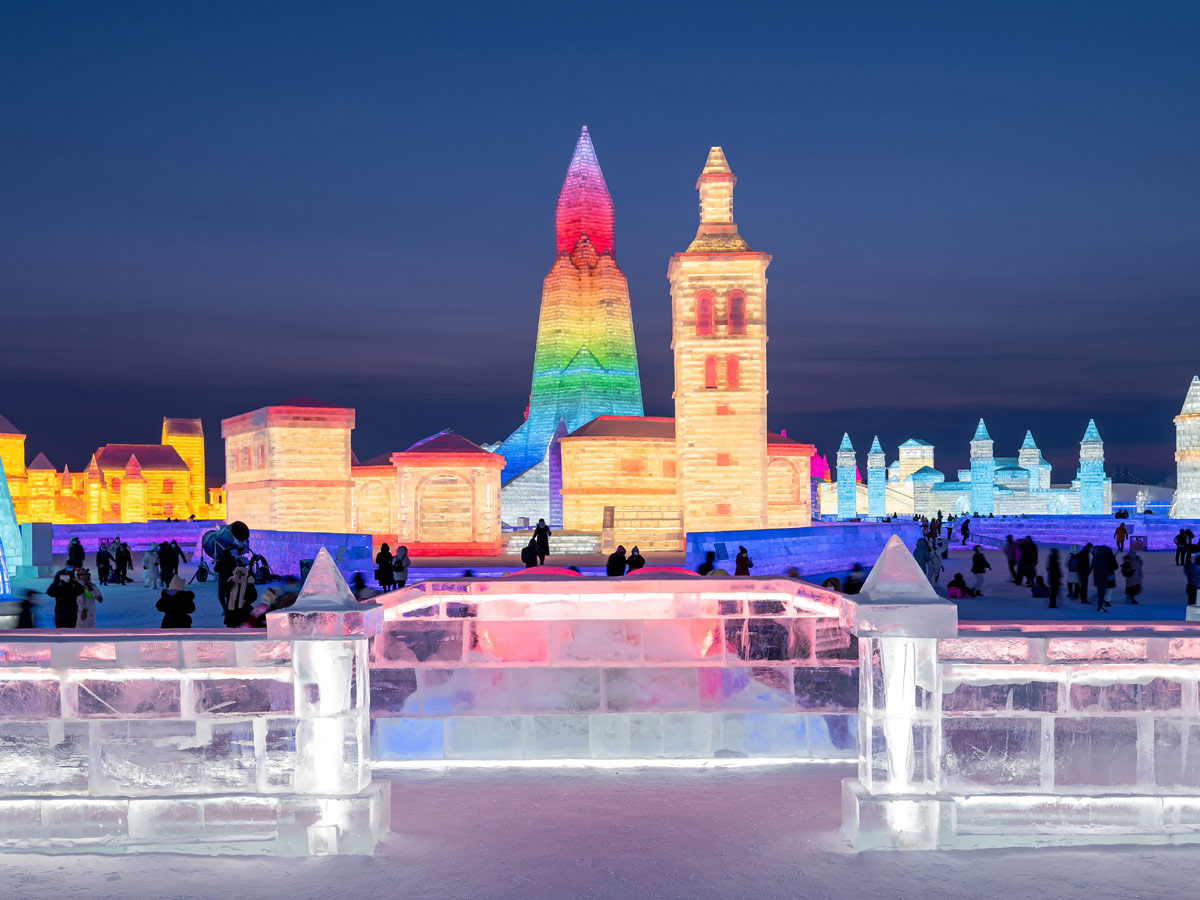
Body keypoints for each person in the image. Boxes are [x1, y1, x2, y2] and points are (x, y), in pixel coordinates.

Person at [1092, 545, 1117, 611]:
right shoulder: (1110, 558)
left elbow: (1092, 567)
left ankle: (1100, 605)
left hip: (1098, 576)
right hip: (1109, 575)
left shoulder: (1096, 557)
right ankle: (1106, 601)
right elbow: (1115, 567)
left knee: (1100, 590)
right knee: (1108, 589)